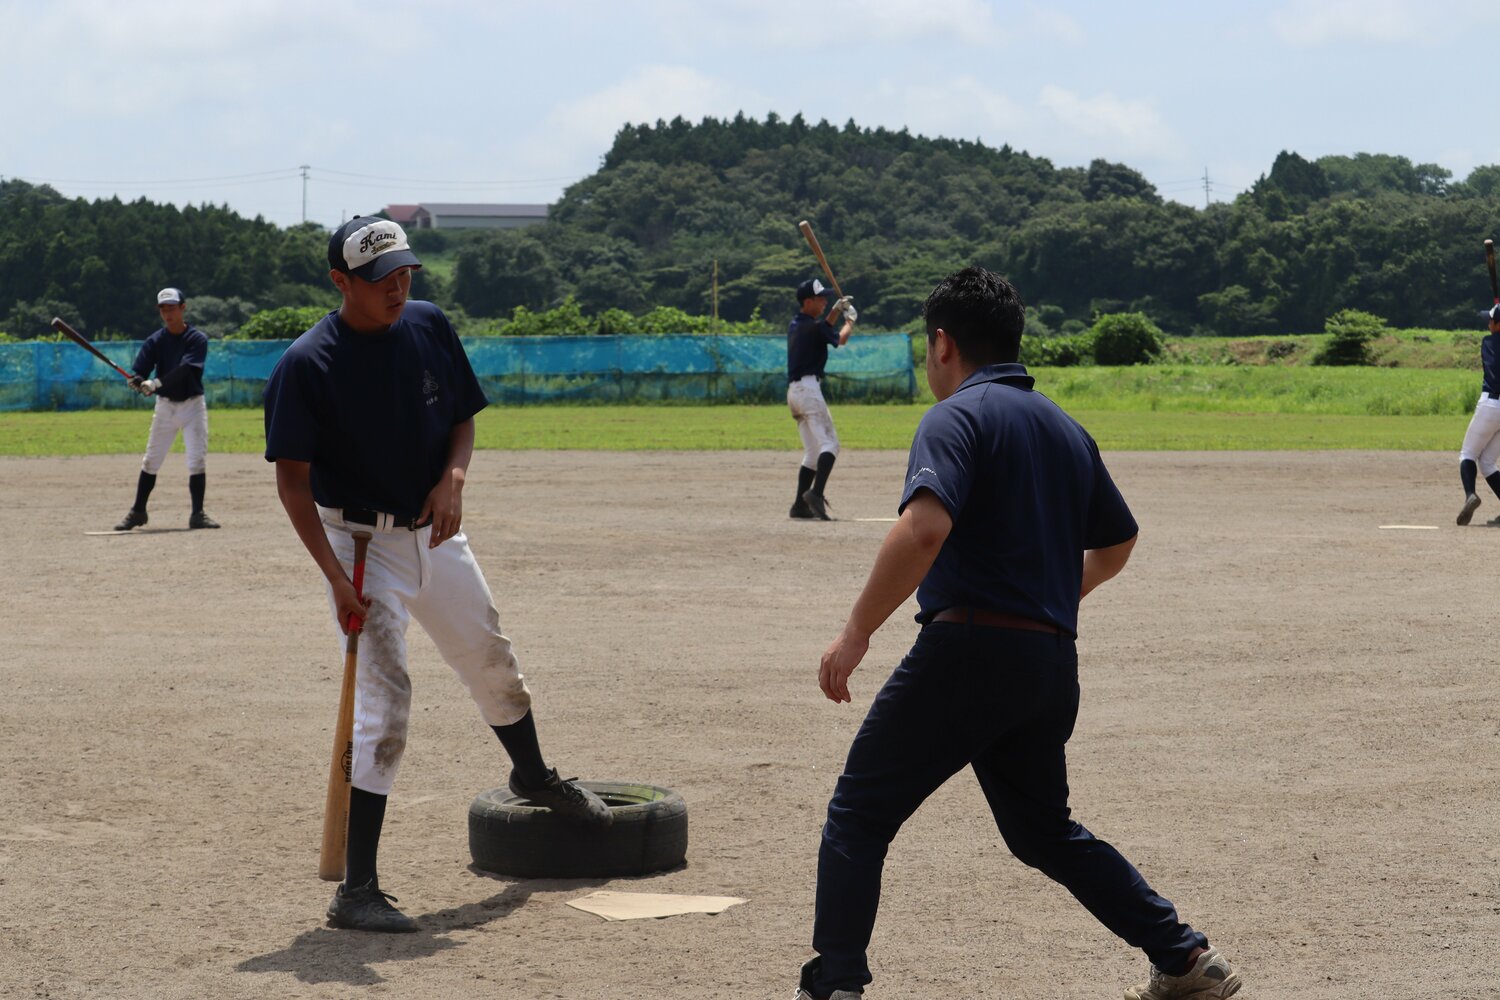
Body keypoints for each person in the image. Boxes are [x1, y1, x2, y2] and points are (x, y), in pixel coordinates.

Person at [793, 267, 1240, 1000]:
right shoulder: (1066, 428)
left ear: (942, 344)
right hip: (1046, 661)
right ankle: (1185, 957)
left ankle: (836, 983)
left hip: (966, 652)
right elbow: (1119, 542)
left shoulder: (955, 417)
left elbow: (925, 527)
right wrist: (1049, 599)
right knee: (1041, 832)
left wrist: (855, 634)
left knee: (859, 813)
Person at [263, 216, 610, 934]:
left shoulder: (427, 325)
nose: (399, 286)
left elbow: (462, 421)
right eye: (381, 278)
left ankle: (534, 777)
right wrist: (334, 578)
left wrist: (454, 480)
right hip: (360, 545)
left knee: (493, 661)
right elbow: (294, 485)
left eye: (405, 273)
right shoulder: (308, 363)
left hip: (435, 532)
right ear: (340, 283)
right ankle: (356, 890)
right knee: (384, 708)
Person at [112, 287, 220, 531]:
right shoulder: (155, 341)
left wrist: (155, 383)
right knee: (151, 460)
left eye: (172, 307)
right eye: (163, 308)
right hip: (166, 407)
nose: (168, 313)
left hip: (193, 405)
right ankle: (138, 511)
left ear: (183, 307)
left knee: (196, 459)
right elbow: (141, 369)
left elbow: (187, 369)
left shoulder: (196, 339)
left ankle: (197, 514)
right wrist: (137, 380)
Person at [787, 277, 856, 520]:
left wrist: (836, 311)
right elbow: (839, 339)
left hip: (795, 393)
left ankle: (799, 505)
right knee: (830, 445)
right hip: (808, 390)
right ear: (807, 302)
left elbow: (822, 327)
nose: (825, 301)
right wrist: (849, 320)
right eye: (820, 299)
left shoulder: (797, 324)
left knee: (813, 452)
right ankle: (815, 493)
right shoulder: (813, 327)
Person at [1455, 303, 1500, 526]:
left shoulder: (1489, 342)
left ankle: (1470, 494)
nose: (1488, 323)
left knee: (1467, 454)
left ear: (1496, 324)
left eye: (1490, 320)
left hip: (1491, 404)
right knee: (1488, 463)